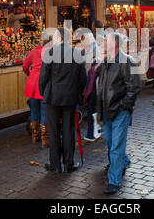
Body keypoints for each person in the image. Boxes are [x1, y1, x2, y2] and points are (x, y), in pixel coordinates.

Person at [97, 32, 141, 195]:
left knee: (115, 146)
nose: (103, 42)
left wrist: (123, 106)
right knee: (110, 142)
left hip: (119, 111)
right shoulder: (105, 62)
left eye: (105, 40)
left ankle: (114, 181)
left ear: (115, 43)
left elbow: (134, 87)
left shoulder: (127, 62)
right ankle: (123, 161)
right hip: (106, 110)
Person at [39, 27, 87, 173]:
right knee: (68, 130)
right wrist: (77, 91)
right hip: (70, 97)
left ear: (59, 39)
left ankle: (55, 165)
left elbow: (43, 78)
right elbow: (82, 78)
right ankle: (68, 163)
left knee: (53, 131)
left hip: (52, 96)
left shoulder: (50, 53)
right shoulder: (77, 53)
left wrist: (44, 93)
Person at [23, 32, 52, 147]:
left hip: (33, 83)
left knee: (34, 110)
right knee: (44, 112)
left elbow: (25, 66)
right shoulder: (51, 53)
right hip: (45, 84)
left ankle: (35, 136)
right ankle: (45, 140)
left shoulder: (34, 52)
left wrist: (30, 74)